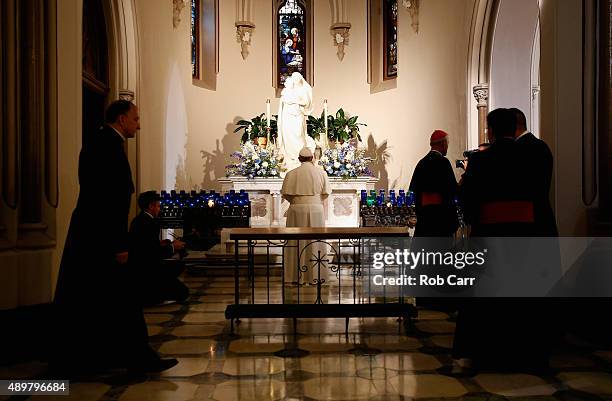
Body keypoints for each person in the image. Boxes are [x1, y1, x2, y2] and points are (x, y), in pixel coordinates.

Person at [53, 100, 177, 374]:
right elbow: (106, 199)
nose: (139, 124)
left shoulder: (102, 141)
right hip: (101, 236)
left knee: (98, 298)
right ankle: (137, 357)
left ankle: (100, 356)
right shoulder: (106, 145)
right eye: (136, 118)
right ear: (122, 119)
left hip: (93, 233)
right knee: (121, 298)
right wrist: (119, 243)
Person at [454, 108, 553, 372]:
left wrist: (475, 219)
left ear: (492, 131)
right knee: (524, 297)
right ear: (515, 127)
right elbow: (540, 194)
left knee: (486, 298)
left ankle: (484, 354)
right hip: (526, 235)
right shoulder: (533, 155)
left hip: (490, 234)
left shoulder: (483, 160)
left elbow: (466, 198)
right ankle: (529, 355)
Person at [281, 147, 331, 285]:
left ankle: (295, 277)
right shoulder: (321, 173)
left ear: (299, 159)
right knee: (316, 242)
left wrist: (298, 201)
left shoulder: (291, 174)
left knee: (295, 242)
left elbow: (286, 194)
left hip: (296, 210)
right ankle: (316, 275)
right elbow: (325, 193)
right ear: (312, 158)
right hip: (316, 210)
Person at [129, 191, 189, 305]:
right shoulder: (150, 223)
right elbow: (152, 253)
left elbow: (147, 245)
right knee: (183, 292)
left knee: (178, 270)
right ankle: (153, 292)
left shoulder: (138, 220)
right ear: (151, 206)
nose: (159, 209)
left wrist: (161, 243)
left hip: (141, 265)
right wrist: (173, 246)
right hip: (148, 269)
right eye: (158, 206)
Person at [510, 108, 558, 236]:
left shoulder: (518, 150)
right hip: (543, 217)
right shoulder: (541, 145)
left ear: (513, 126)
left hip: (525, 222)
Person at [409, 130, 459, 237]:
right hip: (441, 219)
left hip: (424, 219)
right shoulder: (443, 162)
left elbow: (413, 190)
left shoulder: (421, 163)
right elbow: (453, 190)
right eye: (447, 144)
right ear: (443, 144)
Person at [277, 72, 316, 173]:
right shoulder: (286, 92)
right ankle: (290, 159)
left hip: (298, 116)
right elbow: (283, 104)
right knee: (287, 136)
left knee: (298, 135)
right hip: (287, 118)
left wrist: (295, 101)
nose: (295, 80)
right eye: (294, 78)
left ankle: (300, 157)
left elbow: (306, 102)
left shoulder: (303, 90)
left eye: (297, 78)